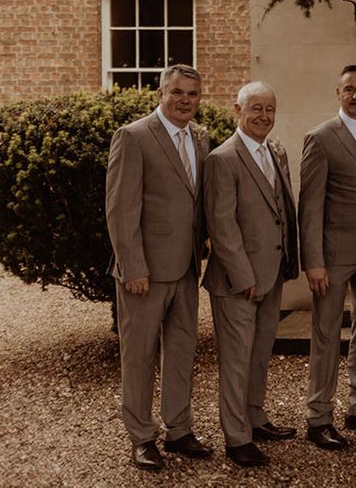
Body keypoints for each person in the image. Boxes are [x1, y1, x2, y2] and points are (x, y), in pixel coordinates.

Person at [106, 64, 211, 471]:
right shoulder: (133, 137)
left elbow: (194, 201)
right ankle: (142, 436)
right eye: (178, 93)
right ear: (160, 93)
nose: (185, 101)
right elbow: (120, 209)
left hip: (185, 268)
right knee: (139, 356)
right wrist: (133, 267)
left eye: (192, 94)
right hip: (144, 273)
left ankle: (179, 429)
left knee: (182, 351)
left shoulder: (199, 138)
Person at [203, 82, 299, 467]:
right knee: (236, 360)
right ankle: (236, 437)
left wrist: (287, 262)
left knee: (260, 354)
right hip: (237, 281)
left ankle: (255, 417)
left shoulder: (274, 152)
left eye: (269, 109)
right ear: (237, 110)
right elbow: (221, 225)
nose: (263, 116)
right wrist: (244, 276)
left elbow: (282, 211)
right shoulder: (223, 159)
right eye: (255, 108)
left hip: (272, 273)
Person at [299, 65, 356, 449]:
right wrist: (313, 261)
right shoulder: (321, 138)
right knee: (326, 334)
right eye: (349, 89)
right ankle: (318, 416)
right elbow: (309, 205)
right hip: (333, 255)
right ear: (338, 93)